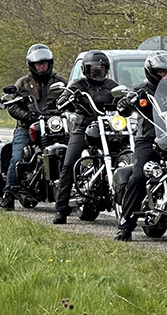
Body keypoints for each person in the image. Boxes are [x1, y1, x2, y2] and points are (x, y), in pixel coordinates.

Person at [114, 51, 167, 240]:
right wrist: (125, 103)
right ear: (152, 72)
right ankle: (125, 225)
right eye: (162, 72)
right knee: (138, 176)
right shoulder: (142, 90)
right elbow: (124, 107)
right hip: (149, 138)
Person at [53, 50, 118, 224]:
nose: (97, 72)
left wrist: (125, 99)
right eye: (93, 69)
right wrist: (67, 99)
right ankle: (61, 209)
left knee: (125, 155)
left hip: (108, 128)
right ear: (85, 70)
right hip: (83, 127)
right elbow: (62, 99)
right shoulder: (78, 85)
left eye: (101, 69)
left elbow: (121, 97)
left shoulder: (111, 85)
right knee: (69, 163)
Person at [0, 44, 66, 211]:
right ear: (32, 65)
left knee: (71, 153)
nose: (42, 66)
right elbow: (12, 105)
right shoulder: (23, 83)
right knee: (17, 157)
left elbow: (70, 99)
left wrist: (62, 110)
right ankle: (8, 195)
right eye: (39, 63)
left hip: (55, 125)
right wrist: (27, 116)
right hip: (27, 126)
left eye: (45, 63)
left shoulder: (60, 82)